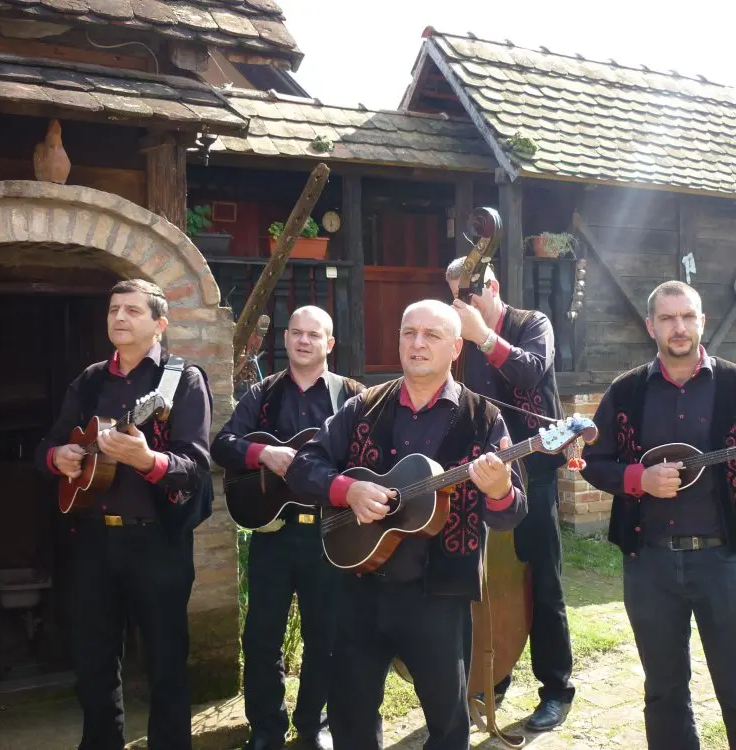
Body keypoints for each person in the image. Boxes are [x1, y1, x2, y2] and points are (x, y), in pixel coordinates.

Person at [288, 299, 528, 750]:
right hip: (359, 586)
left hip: (440, 596)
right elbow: (304, 466)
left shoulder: (484, 418)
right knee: (350, 715)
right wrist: (346, 490)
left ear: (455, 348)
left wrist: (499, 490)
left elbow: (512, 512)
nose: (418, 343)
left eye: (431, 335)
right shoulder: (363, 406)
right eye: (409, 333)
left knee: (448, 722)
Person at [579, 280, 736, 750]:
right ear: (650, 326)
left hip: (723, 561)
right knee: (664, 694)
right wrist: (639, 479)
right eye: (668, 318)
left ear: (702, 322)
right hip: (649, 563)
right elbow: (593, 462)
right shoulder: (625, 391)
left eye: (688, 316)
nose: (679, 327)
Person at [35, 278, 213, 750]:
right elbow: (48, 443)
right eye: (114, 309)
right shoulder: (90, 380)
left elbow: (195, 468)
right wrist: (59, 458)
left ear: (160, 324)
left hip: (157, 542)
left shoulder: (181, 381)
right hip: (94, 540)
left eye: (132, 310)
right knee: (93, 662)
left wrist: (147, 460)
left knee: (166, 664)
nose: (119, 317)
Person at [211, 306, 364, 750]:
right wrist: (262, 455)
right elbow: (222, 445)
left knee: (326, 637)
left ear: (329, 343)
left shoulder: (352, 396)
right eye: (296, 332)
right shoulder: (263, 393)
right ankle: (266, 729)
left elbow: (371, 454)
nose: (303, 341)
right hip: (274, 533)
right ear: (285, 338)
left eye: (313, 335)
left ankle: (313, 725)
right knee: (261, 637)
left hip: (329, 534)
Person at [444, 258, 574, 730]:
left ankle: (556, 689)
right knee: (488, 585)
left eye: (469, 294)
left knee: (543, 582)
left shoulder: (532, 324)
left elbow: (530, 372)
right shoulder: (461, 337)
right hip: (483, 481)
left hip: (533, 475)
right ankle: (494, 675)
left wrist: (482, 336)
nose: (461, 304)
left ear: (493, 286)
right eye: (454, 296)